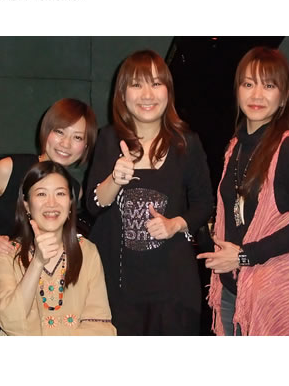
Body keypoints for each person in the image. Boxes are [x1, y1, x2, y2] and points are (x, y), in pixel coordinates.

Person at [86, 50, 213, 335]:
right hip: (117, 284)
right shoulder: (109, 138)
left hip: (173, 285)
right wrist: (115, 179)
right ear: (122, 94)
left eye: (156, 83)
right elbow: (94, 205)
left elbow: (204, 203)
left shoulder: (186, 143)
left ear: (168, 91)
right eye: (136, 84)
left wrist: (175, 224)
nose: (147, 94)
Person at [197, 46, 289, 336]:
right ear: (238, 90)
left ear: (283, 97)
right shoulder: (235, 147)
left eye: (269, 86)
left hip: (271, 295)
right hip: (231, 290)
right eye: (249, 84)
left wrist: (243, 256)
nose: (257, 95)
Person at [0, 98, 97, 335]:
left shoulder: (75, 190)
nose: (66, 144)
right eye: (59, 132)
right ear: (46, 131)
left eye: (77, 137)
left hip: (30, 288)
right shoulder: (8, 168)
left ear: (86, 146)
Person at [0, 161, 116, 335]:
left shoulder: (87, 251)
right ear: (27, 205)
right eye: (41, 194)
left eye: (60, 194)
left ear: (70, 203)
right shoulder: (6, 253)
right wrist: (37, 262)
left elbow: (99, 323)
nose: (51, 203)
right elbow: (10, 321)